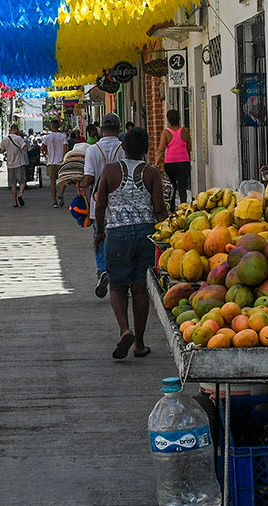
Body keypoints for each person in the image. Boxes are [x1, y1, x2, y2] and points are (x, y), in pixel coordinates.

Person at [93, 126, 167, 359]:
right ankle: (140, 344)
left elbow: (100, 204)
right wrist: (171, 233)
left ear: (123, 148)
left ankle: (125, 329)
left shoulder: (110, 170)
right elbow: (159, 209)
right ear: (145, 149)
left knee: (117, 286)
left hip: (117, 235)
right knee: (139, 287)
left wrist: (99, 233)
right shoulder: (152, 173)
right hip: (145, 235)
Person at [79, 113, 126, 298]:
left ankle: (102, 270)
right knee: (120, 239)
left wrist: (81, 183)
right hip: (121, 201)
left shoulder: (92, 150)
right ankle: (121, 276)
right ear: (118, 129)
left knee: (99, 238)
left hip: (98, 202)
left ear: (101, 131)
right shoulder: (124, 148)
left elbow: (89, 178)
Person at [160, 108, 192, 205]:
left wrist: (156, 163)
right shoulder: (185, 131)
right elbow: (189, 147)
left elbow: (161, 149)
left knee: (173, 185)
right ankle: (183, 205)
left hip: (170, 163)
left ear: (168, 120)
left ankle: (173, 207)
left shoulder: (166, 133)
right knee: (183, 186)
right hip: (183, 162)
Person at [41, 119, 69, 207]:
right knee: (63, 181)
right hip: (61, 162)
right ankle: (61, 193)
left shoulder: (47, 137)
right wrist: (64, 158)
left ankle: (54, 202)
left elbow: (41, 148)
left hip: (51, 163)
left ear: (51, 127)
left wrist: (46, 150)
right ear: (58, 126)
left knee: (52, 182)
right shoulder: (63, 136)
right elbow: (65, 148)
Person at [3, 122, 29, 207]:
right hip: (19, 164)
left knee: (12, 184)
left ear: (10, 130)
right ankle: (20, 194)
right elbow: (26, 148)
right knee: (22, 181)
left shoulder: (5, 139)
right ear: (16, 130)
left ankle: (14, 202)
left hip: (10, 164)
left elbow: (1, 150)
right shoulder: (19, 138)